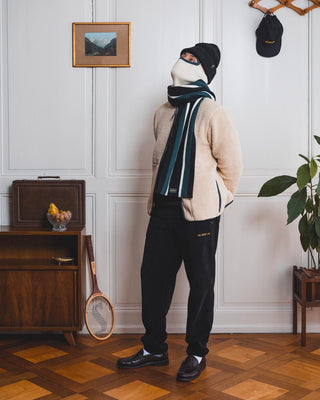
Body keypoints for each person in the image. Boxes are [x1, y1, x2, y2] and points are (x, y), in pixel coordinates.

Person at [117, 43, 243, 382]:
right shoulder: (163, 111)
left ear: (206, 70)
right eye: (183, 56)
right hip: (162, 209)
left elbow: (232, 167)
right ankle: (153, 348)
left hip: (199, 214)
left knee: (201, 284)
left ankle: (197, 353)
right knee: (153, 279)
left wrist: (217, 200)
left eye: (193, 59)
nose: (184, 62)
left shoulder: (214, 113)